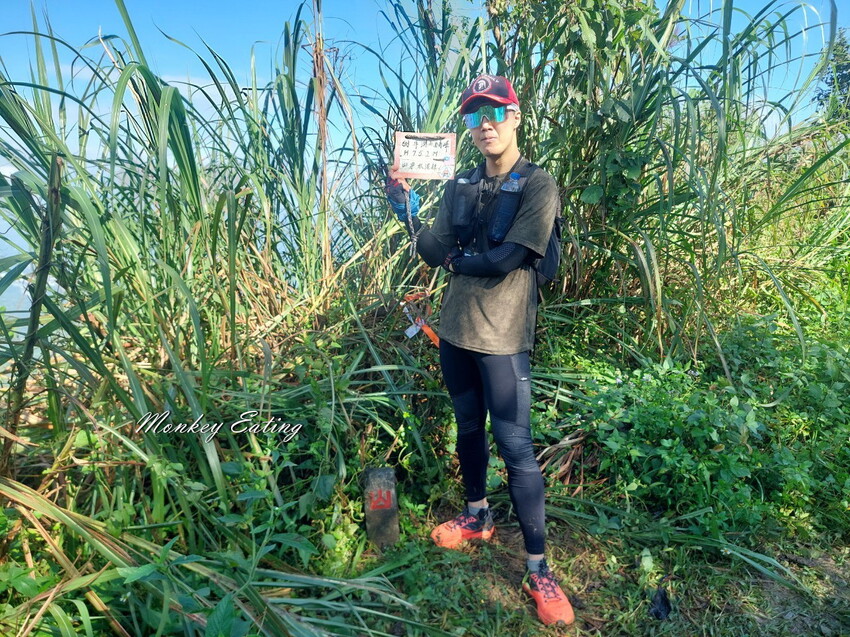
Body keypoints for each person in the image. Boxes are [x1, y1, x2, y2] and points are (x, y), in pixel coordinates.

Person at [385, 74, 574, 627]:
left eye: (494, 112)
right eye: (474, 115)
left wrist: (454, 262)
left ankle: (537, 568)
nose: (484, 124)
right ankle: (477, 516)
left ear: (515, 117)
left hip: (503, 339)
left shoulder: (538, 183)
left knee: (515, 446)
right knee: (467, 427)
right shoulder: (461, 184)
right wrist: (404, 207)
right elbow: (434, 249)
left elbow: (507, 259)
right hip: (456, 332)